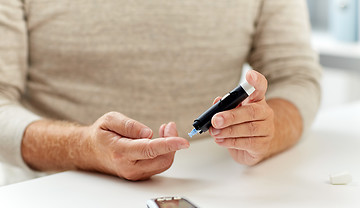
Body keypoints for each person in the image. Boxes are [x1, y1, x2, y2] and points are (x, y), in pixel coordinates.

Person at [0, 0, 321, 183]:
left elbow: (297, 77)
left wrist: (266, 130)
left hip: (211, 194)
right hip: (47, 194)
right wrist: (81, 148)